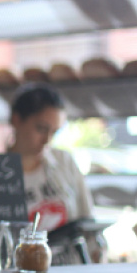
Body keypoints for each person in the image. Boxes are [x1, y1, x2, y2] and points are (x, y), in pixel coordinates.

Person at [7, 82, 93, 232]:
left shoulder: (64, 162)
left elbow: (87, 219)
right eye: (41, 129)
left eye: (54, 132)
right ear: (16, 120)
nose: (47, 140)